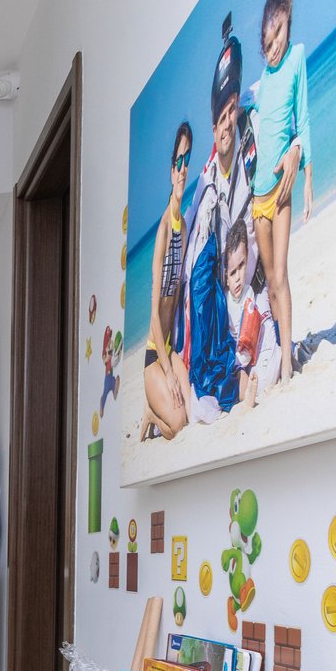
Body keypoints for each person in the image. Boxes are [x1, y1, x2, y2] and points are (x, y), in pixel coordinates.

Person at [177, 17, 257, 422]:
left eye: (232, 111)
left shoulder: (248, 147)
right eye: (221, 116)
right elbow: (188, 240)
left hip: (248, 284)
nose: (227, 123)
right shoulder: (207, 183)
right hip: (223, 297)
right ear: (213, 125)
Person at [250, 0, 313, 381]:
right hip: (258, 197)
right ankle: (280, 345)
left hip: (282, 190)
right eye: (267, 42)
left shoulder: (297, 58)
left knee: (281, 275)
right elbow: (257, 121)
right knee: (270, 282)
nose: (273, 47)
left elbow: (302, 121)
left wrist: (305, 175)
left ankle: (288, 362)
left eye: (278, 35)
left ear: (288, 20)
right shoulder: (262, 80)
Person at [142, 122, 197, 440]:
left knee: (190, 412)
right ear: (170, 170)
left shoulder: (184, 228)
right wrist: (167, 371)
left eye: (187, 160)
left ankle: (158, 404)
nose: (183, 169)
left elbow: (177, 302)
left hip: (170, 348)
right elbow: (154, 314)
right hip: (154, 355)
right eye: (178, 161)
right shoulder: (163, 229)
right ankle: (152, 411)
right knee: (175, 426)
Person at [223, 220, 282, 407]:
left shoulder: (248, 292)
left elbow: (248, 336)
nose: (238, 277)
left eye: (242, 266)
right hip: (238, 358)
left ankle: (250, 394)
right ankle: (247, 394)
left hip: (249, 354)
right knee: (238, 376)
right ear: (225, 276)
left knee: (250, 375)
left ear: (247, 258)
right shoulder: (224, 300)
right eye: (233, 272)